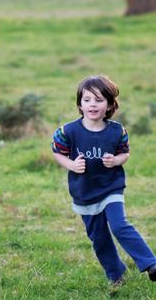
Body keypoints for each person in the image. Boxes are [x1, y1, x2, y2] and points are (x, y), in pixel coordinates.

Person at [52, 75, 156, 288]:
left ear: (109, 104)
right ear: (79, 103)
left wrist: (116, 160)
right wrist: (71, 165)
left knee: (119, 226)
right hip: (84, 193)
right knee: (99, 239)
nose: (93, 104)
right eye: (87, 99)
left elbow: (125, 153)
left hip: (111, 187)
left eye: (99, 100)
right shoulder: (67, 131)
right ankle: (116, 274)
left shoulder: (117, 131)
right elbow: (58, 152)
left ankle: (151, 264)